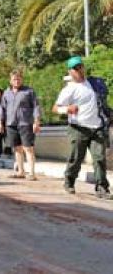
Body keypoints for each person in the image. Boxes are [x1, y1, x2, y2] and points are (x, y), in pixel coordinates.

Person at [52, 56, 111, 199]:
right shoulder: (69, 89)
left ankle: (102, 188)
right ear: (70, 71)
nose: (79, 70)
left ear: (83, 67)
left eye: (80, 67)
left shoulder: (93, 84)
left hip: (97, 127)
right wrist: (67, 109)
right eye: (75, 68)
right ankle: (69, 180)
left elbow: (103, 101)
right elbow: (55, 108)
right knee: (76, 157)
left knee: (99, 158)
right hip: (78, 128)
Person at [0, 69, 41, 181]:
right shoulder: (6, 93)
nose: (16, 81)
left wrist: (36, 121)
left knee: (28, 148)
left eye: (18, 79)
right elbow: (2, 109)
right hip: (11, 124)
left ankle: (32, 173)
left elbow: (36, 106)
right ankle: (21, 171)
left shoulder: (29, 91)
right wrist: (0, 122)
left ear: (22, 79)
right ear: (10, 80)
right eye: (14, 79)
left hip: (25, 123)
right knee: (17, 148)